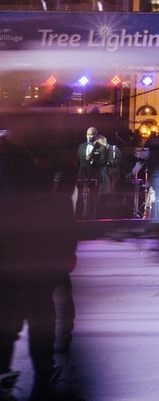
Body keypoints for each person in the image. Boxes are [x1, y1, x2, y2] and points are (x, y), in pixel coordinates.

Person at [0, 135, 79, 401]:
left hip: (37, 255)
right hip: (22, 255)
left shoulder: (44, 163)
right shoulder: (21, 162)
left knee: (35, 316)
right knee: (24, 317)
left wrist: (67, 248)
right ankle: (34, 373)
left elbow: (61, 208)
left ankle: (42, 372)